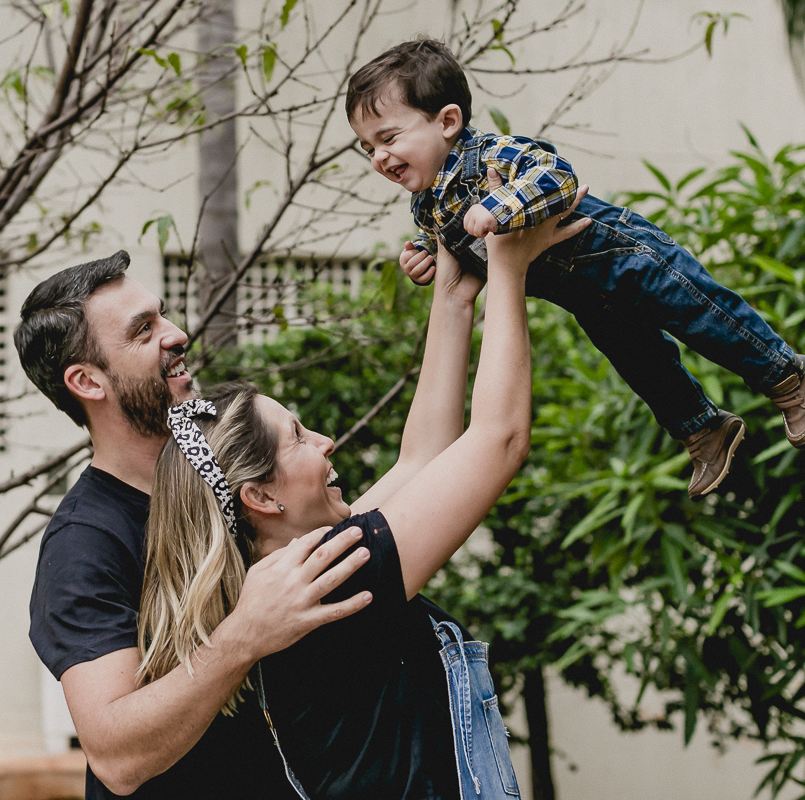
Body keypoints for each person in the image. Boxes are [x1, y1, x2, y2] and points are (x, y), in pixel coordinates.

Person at [138, 174, 592, 799]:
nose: (325, 442)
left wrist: (456, 295)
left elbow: (422, 461)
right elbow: (500, 441)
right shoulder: (326, 584)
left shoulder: (300, 573)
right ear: (262, 498)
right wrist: (509, 269)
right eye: (297, 437)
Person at [345, 38, 805, 501]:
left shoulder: (489, 155)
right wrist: (421, 255)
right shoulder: (428, 204)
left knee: (698, 313)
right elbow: (447, 247)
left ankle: (785, 373)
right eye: (367, 147)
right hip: (580, 291)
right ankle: (703, 429)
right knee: (641, 361)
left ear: (448, 120)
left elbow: (557, 175)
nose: (378, 157)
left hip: (621, 252)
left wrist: (501, 205)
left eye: (388, 138)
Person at [12, 251, 375, 799]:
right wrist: (242, 637)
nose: (177, 334)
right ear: (87, 381)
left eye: (162, 316)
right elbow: (116, 756)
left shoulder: (234, 480)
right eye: (143, 331)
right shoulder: (84, 543)